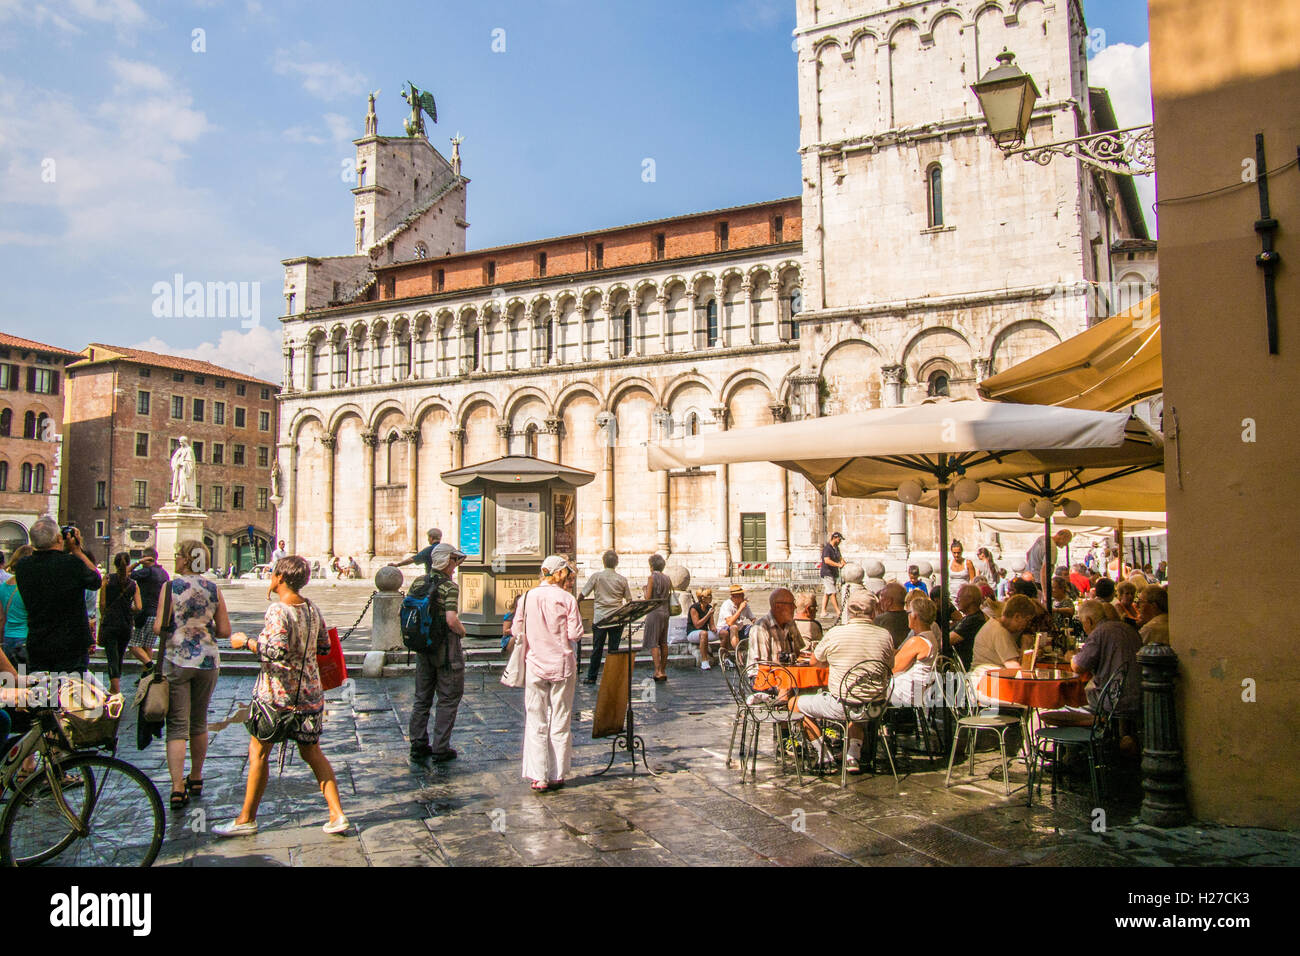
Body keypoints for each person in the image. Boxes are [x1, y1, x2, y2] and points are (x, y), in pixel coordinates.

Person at [218, 556, 349, 837]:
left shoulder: (279, 610)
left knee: (259, 752)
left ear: (280, 578)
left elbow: (274, 651)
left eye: (273, 574)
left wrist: (247, 642)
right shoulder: (311, 608)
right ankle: (337, 814)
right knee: (312, 753)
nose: (271, 578)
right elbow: (324, 646)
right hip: (310, 695)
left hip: (277, 697)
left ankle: (246, 818)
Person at [152, 539, 227, 812]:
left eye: (178, 555)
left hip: (177, 659)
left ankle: (176, 788)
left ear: (185, 558)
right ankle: (196, 777)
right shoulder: (213, 588)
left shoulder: (171, 587)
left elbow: (159, 625)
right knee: (199, 721)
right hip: (208, 660)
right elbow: (225, 630)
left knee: (176, 726)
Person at [787, 593, 893, 771]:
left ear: (849, 612)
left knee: (793, 704)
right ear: (873, 612)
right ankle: (853, 756)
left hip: (843, 705)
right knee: (857, 700)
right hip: (876, 706)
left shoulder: (836, 633)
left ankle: (823, 754)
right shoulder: (885, 635)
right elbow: (890, 666)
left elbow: (814, 662)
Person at [512, 555, 584, 791]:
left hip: (535, 664)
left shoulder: (527, 597)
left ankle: (539, 775)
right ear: (560, 574)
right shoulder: (567, 599)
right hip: (562, 665)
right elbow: (575, 634)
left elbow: (516, 629)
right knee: (560, 718)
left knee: (535, 719)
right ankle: (557, 773)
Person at [12, 519, 101, 675]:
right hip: (72, 643)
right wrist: (77, 550)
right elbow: (95, 580)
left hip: (39, 641)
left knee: (43, 692)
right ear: (59, 539)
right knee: (71, 693)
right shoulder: (72, 563)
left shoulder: (23, 566)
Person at [408, 543, 467, 762]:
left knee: (422, 697)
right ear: (445, 562)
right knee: (448, 697)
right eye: (454, 560)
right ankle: (441, 747)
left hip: (424, 646)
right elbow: (452, 619)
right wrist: (462, 632)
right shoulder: (449, 587)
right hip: (446, 648)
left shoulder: (418, 582)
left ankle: (418, 744)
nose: (455, 565)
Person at [1066, 599, 1142, 719]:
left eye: (1082, 623)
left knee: (1066, 700)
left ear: (1089, 621)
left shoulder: (1099, 633)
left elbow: (1078, 666)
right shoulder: (1128, 629)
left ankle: (1093, 733)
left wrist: (1071, 657)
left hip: (1113, 700)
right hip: (1139, 697)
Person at [969, 594, 1041, 698]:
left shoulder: (995, 625)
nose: (1027, 625)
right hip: (987, 687)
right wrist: (1026, 647)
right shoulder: (1000, 632)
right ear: (1017, 617)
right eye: (1027, 620)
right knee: (1033, 694)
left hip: (987, 682)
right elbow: (1016, 670)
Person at [579, 549, 632, 684]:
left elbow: (583, 593)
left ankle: (592, 676)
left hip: (600, 618)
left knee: (597, 648)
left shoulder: (596, 577)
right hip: (616, 618)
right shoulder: (622, 579)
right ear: (616, 563)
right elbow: (629, 600)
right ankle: (611, 677)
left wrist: (576, 603)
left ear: (603, 562)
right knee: (614, 649)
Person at [98, 552, 141, 695]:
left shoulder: (108, 579)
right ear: (128, 564)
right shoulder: (133, 584)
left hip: (110, 622)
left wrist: (104, 616)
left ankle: (114, 687)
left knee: (111, 656)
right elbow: (139, 607)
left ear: (115, 564)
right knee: (120, 655)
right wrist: (128, 608)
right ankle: (116, 686)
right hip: (126, 623)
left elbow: (102, 603)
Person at [892, 595, 940, 706]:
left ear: (914, 616)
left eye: (908, 613)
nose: (907, 616)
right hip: (919, 690)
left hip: (906, 692)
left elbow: (894, 668)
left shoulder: (917, 641)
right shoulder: (930, 636)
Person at [128, 547, 170, 668]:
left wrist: (138, 563)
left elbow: (125, 573)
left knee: (134, 645)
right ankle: (146, 675)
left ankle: (150, 666)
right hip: (157, 614)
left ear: (146, 558)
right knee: (148, 646)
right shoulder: (164, 573)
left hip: (144, 613)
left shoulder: (146, 571)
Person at [749, 587, 804, 663]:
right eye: (791, 604)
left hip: (787, 671)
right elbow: (763, 665)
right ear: (778, 606)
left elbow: (799, 654)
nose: (794, 607)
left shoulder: (790, 623)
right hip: (765, 673)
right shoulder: (761, 627)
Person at [0, 546, 33, 666]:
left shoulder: (3, 587)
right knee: (28, 679)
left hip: (8, 638)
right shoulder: (29, 587)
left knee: (12, 680)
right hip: (26, 638)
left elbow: (1, 619)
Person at [642, 554, 671, 681]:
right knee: (663, 642)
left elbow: (648, 598)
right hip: (665, 611)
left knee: (654, 642)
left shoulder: (651, 578)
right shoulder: (667, 578)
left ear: (652, 565)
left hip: (654, 612)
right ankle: (663, 670)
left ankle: (657, 670)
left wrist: (644, 590)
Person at [948, 584, 985, 671]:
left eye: (959, 597)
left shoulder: (973, 620)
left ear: (970, 599)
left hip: (965, 670)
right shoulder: (972, 617)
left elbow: (947, 640)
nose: (956, 600)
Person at [716, 584, 755, 653]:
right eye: (741, 595)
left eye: (743, 595)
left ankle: (753, 651)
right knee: (734, 627)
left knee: (754, 627)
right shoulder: (727, 604)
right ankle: (738, 652)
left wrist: (749, 622)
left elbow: (753, 619)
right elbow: (730, 622)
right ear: (734, 597)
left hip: (740, 629)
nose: (743, 597)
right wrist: (740, 609)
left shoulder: (745, 605)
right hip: (726, 629)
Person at [687, 587, 718, 670]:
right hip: (693, 632)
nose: (711, 597)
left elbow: (711, 625)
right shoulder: (694, 608)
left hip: (705, 632)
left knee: (724, 633)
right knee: (704, 633)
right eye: (709, 596)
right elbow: (697, 625)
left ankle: (725, 658)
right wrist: (708, 614)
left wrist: (714, 628)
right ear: (703, 598)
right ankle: (704, 661)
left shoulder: (709, 607)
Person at [873, 582, 910, 650]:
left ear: (889, 601)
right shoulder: (912, 618)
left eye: (882, 597)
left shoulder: (880, 620)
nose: (879, 601)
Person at [820, 532, 846, 616]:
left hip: (833, 573)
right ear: (835, 538)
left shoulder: (836, 548)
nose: (840, 541)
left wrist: (845, 564)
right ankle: (838, 611)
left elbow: (840, 558)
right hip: (827, 573)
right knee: (832, 592)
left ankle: (823, 611)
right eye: (839, 539)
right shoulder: (827, 548)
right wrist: (838, 565)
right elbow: (827, 560)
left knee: (827, 592)